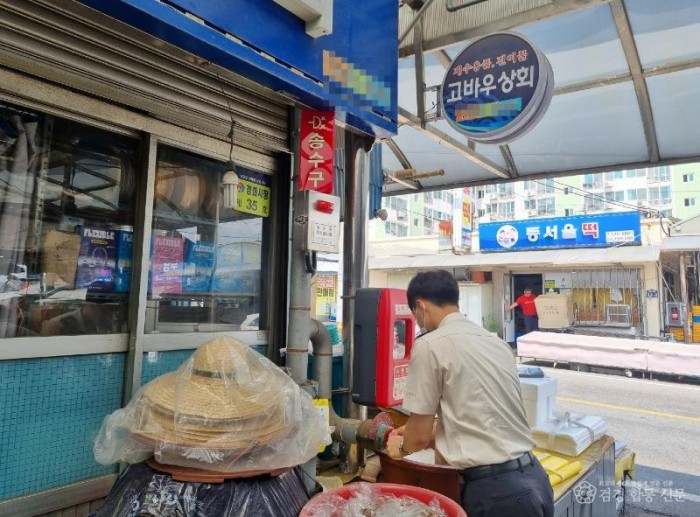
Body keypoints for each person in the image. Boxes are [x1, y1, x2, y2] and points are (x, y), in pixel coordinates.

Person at [386, 270, 553, 517]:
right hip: (535, 479)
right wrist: (433, 429)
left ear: (420, 306)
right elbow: (480, 413)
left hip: (495, 494)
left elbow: (417, 440)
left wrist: (399, 445)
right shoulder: (495, 342)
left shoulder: (429, 344)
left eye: (415, 315)